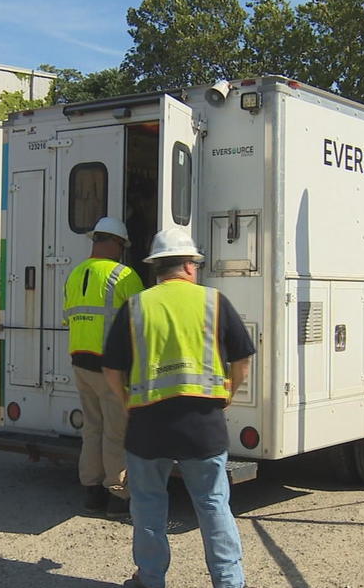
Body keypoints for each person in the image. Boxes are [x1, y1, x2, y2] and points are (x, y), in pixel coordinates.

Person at [102, 228, 253, 588]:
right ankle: (229, 582)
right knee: (214, 506)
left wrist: (128, 403)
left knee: (149, 511)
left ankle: (151, 580)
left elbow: (112, 369)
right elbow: (243, 358)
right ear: (188, 265)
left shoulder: (136, 306)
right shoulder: (214, 302)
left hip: (148, 427)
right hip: (202, 426)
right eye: (195, 264)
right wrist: (228, 392)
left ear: (157, 267)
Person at [63, 216, 144, 518]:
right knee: (115, 433)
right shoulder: (125, 275)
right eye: (121, 245)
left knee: (92, 429)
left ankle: (91, 493)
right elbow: (143, 321)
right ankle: (117, 496)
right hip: (110, 366)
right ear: (114, 243)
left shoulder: (74, 274)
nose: (122, 251)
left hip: (80, 361)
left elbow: (68, 317)